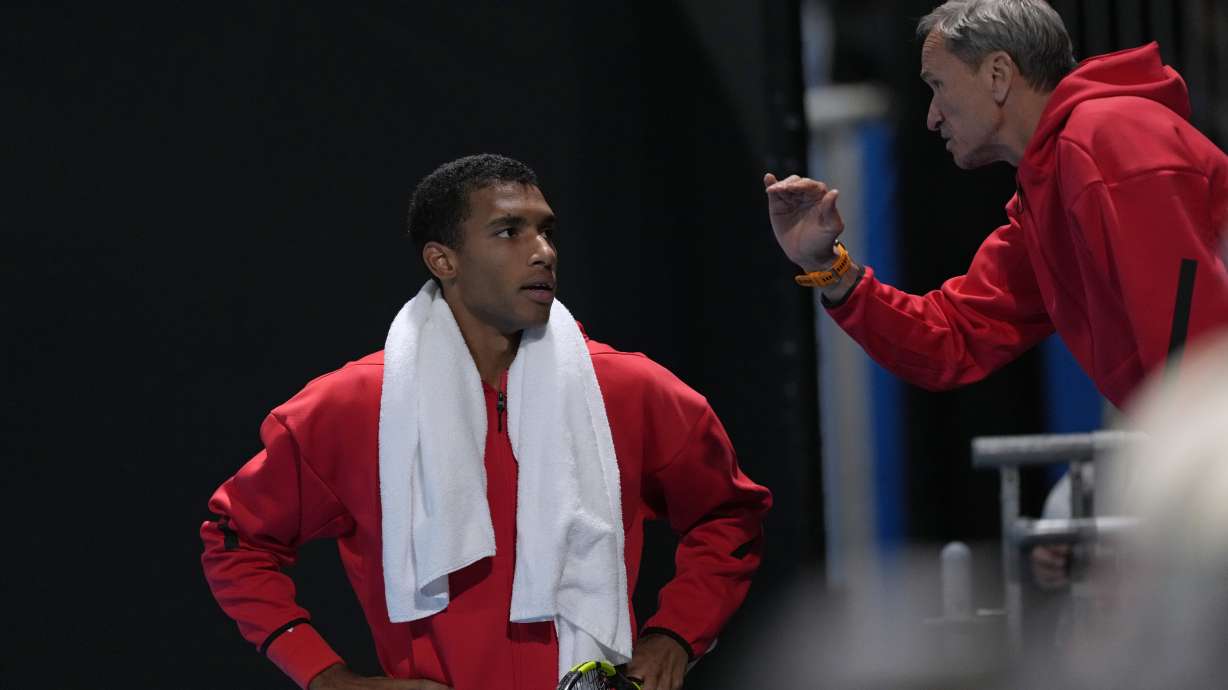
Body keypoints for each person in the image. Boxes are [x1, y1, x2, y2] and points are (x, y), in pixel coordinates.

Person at [201, 154, 771, 690]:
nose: (543, 250)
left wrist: (675, 636)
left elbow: (728, 515)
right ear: (442, 259)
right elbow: (236, 541)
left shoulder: (630, 390)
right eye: (509, 231)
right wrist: (324, 676)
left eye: (546, 230)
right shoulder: (352, 406)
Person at [764, 0, 1228, 408]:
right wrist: (828, 266)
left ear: (998, 75)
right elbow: (953, 340)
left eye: (938, 86)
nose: (931, 117)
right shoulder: (1053, 182)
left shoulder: (1108, 137)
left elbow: (1197, 356)